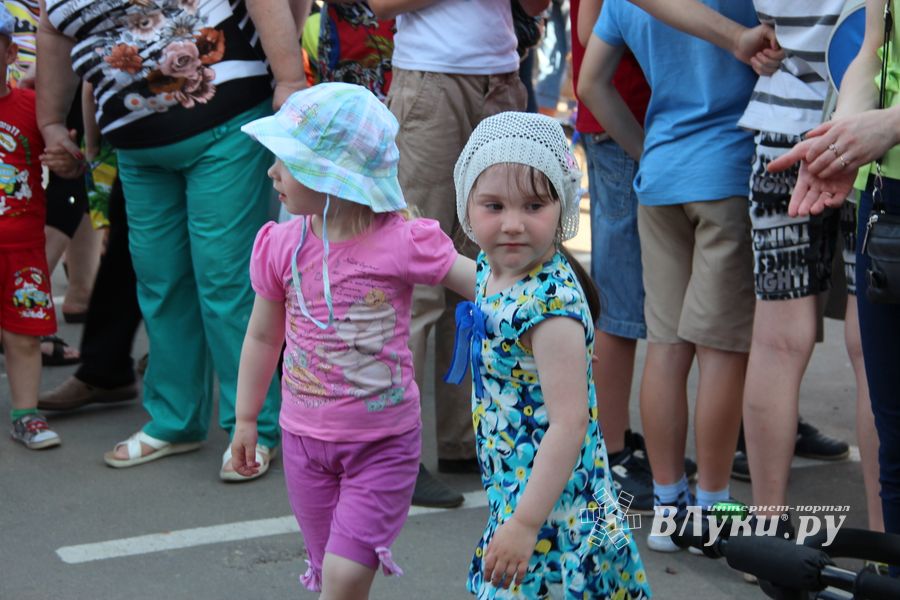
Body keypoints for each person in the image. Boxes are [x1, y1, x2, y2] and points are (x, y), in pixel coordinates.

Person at [37, 0, 309, 479]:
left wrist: (289, 78)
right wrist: (51, 124)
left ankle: (254, 428)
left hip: (225, 123)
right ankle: (175, 420)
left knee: (224, 279)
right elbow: (55, 30)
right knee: (159, 280)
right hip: (138, 145)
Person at [231, 83, 474, 597]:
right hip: (303, 442)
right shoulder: (281, 244)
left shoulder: (400, 240)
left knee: (342, 580)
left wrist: (539, 297)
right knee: (329, 576)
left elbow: (473, 278)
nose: (272, 172)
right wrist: (247, 419)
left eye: (287, 161)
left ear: (331, 174)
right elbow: (260, 337)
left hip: (381, 445)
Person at [446, 111, 650, 598]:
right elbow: (471, 280)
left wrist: (523, 524)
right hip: (519, 490)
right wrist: (408, 245)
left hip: (557, 509)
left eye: (533, 205)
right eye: (493, 205)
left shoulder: (551, 311)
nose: (513, 224)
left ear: (562, 206)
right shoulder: (498, 270)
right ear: (466, 207)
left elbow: (569, 424)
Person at [578, 0, 759, 552]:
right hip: (727, 171)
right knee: (722, 349)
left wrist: (644, 148)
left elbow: (590, 84)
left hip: (661, 176)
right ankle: (711, 505)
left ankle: (667, 503)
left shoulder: (626, 3)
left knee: (666, 345)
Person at [370, 0, 548, 509]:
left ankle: (464, 440)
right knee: (415, 277)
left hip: (499, 77)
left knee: (490, 267)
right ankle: (393, 456)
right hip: (431, 79)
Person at [768, 0, 900, 557]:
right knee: (895, 447)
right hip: (886, 204)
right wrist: (842, 138)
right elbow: (872, 50)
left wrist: (887, 127)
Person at [0, 5, 79, 449]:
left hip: (22, 249)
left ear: (11, 52)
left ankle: (25, 415)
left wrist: (66, 161)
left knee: (24, 336)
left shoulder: (33, 108)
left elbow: (71, 168)